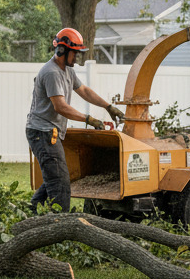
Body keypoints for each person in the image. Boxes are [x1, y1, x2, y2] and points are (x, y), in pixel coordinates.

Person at [26, 27, 126, 213]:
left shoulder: (67, 71)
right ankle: (60, 225)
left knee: (52, 179)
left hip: (48, 132)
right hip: (43, 133)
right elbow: (61, 107)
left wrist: (108, 107)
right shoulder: (52, 73)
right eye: (75, 53)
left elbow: (84, 91)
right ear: (62, 50)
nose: (77, 58)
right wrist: (89, 119)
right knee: (60, 182)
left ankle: (28, 215)